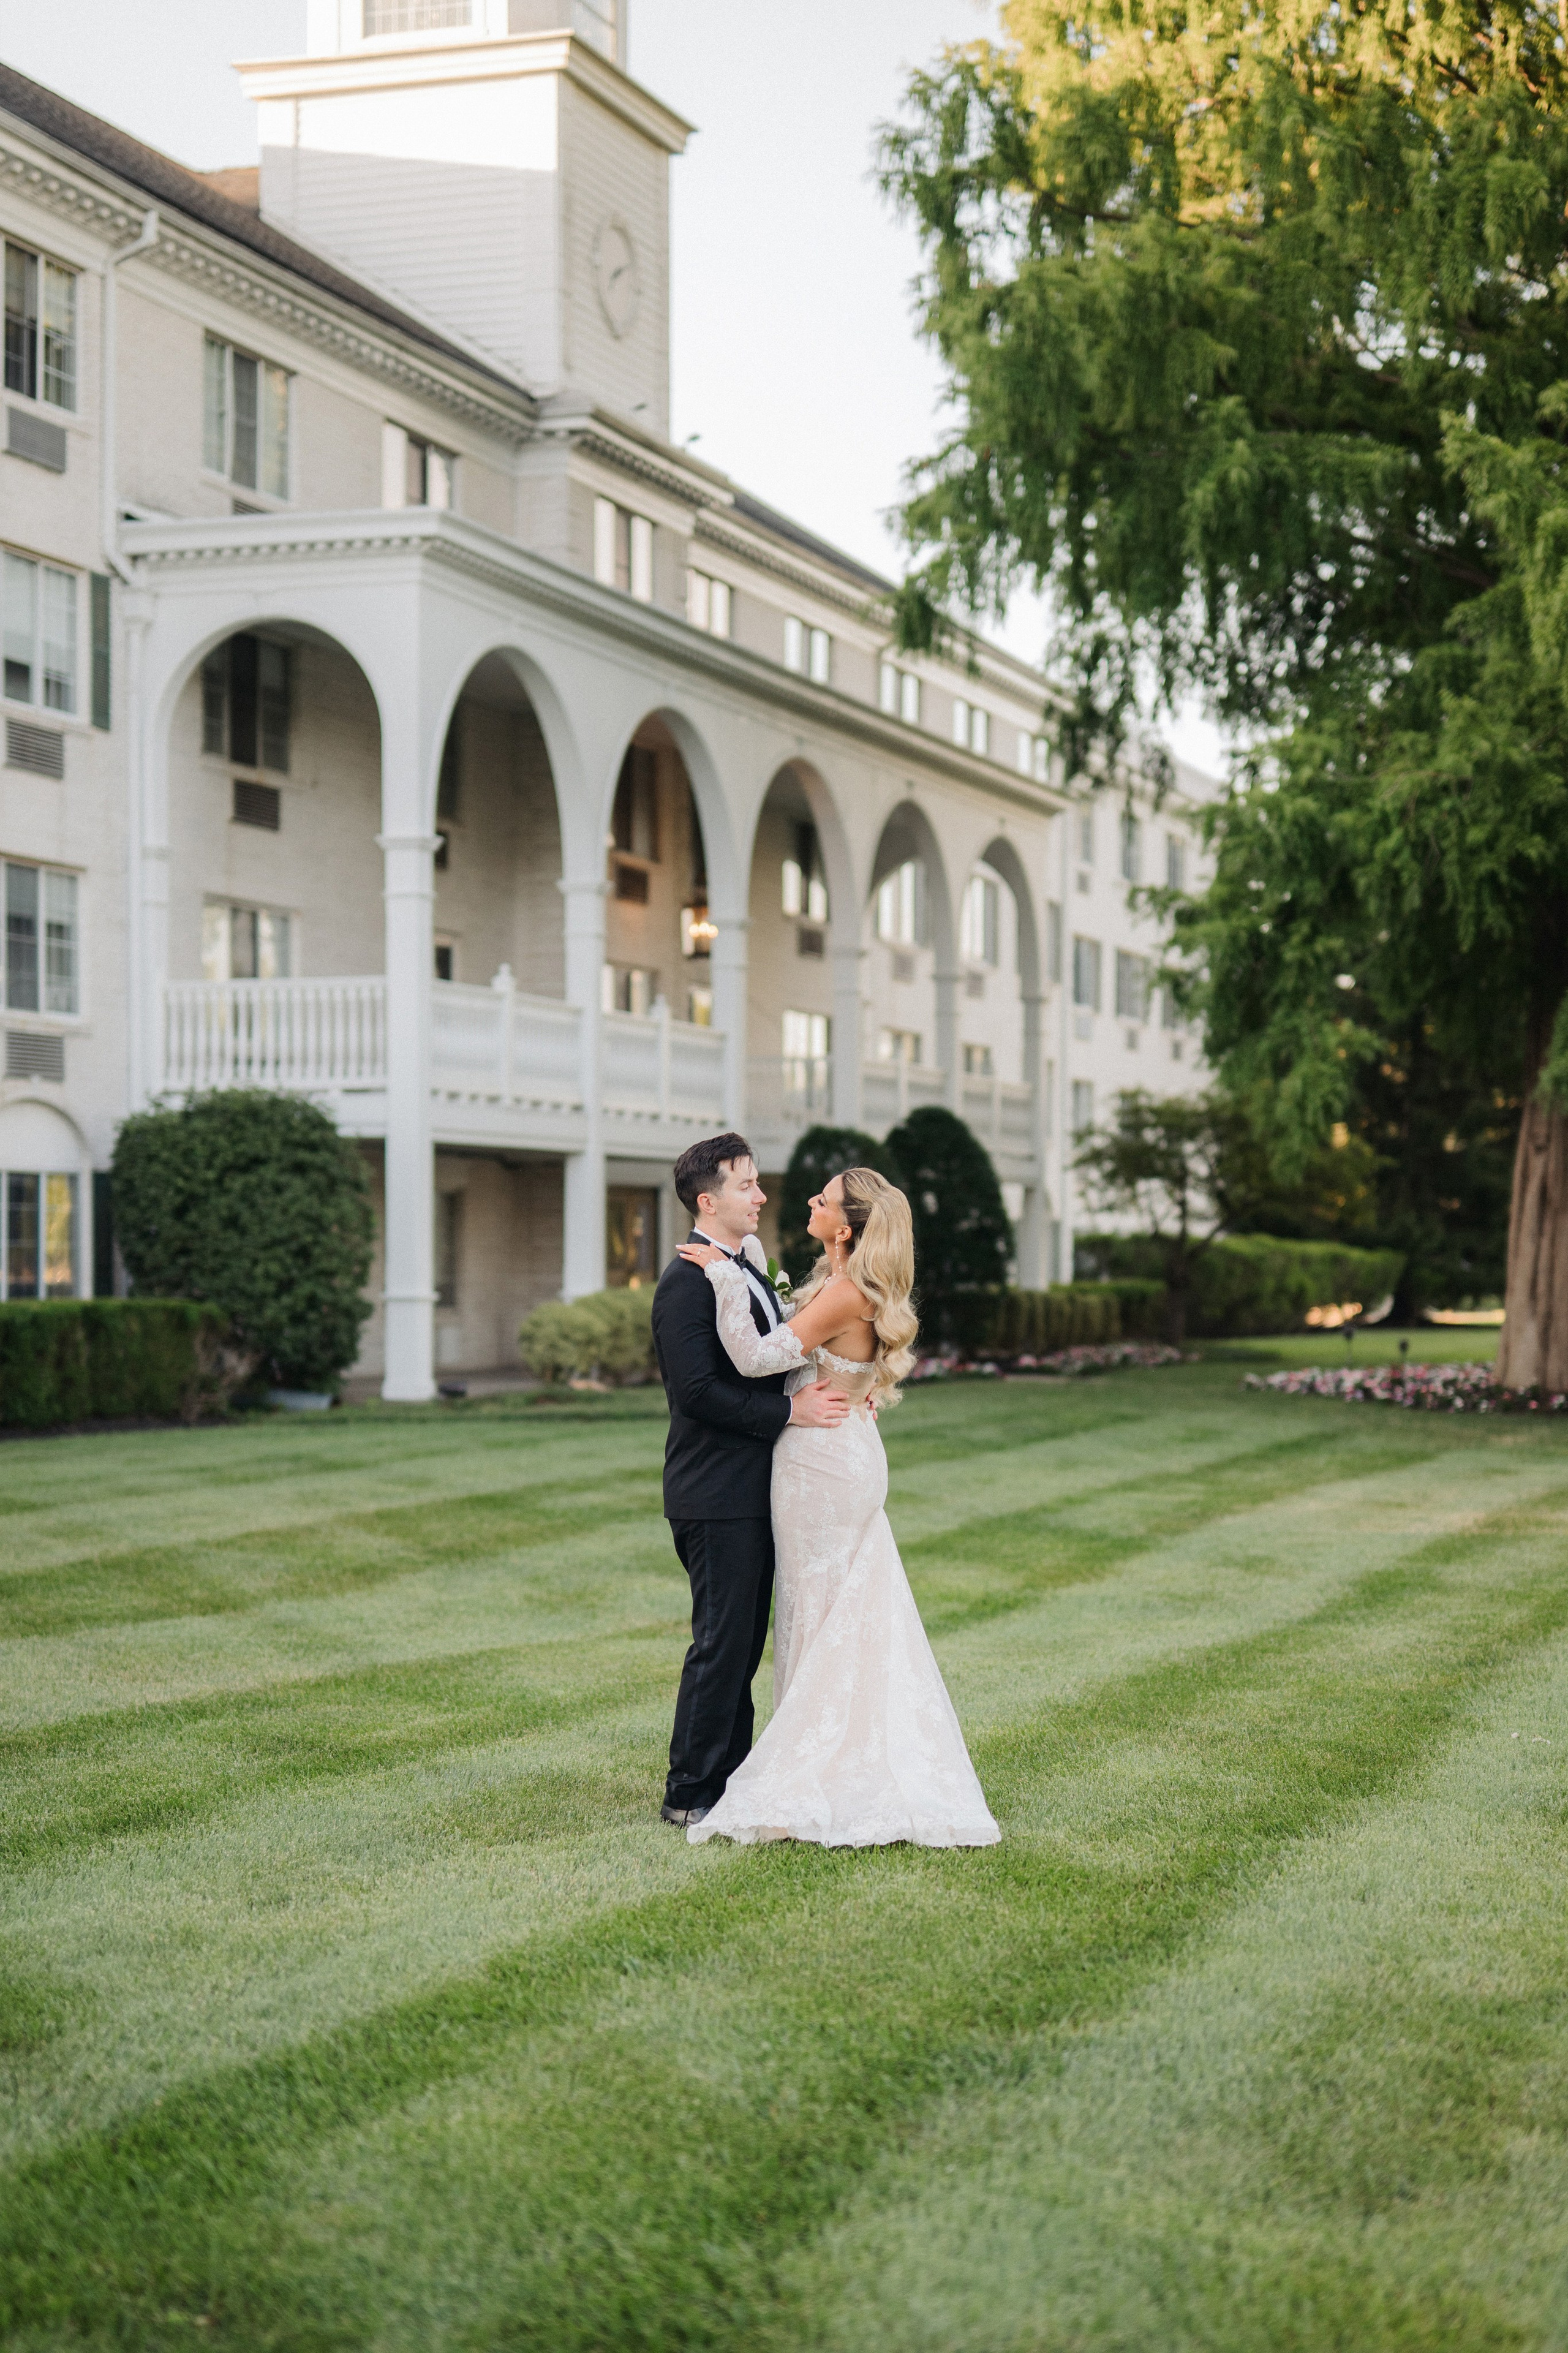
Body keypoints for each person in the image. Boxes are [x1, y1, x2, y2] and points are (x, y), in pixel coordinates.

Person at [676, 1165, 1000, 1849]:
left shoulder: (846, 1289)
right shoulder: (839, 1282)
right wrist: (751, 1269)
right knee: (830, 1605)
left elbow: (758, 1356)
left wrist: (726, 1278)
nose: (807, 1205)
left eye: (820, 1202)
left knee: (820, 1607)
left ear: (846, 1227)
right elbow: (819, 1344)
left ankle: (816, 1769)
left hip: (822, 1462)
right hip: (836, 1449)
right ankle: (826, 1754)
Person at [652, 1133, 852, 1829]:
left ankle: (732, 1779)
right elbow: (699, 1393)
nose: (761, 1196)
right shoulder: (685, 1283)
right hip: (714, 1493)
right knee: (722, 1641)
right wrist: (789, 1410)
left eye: (759, 1183)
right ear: (709, 1200)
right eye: (747, 1185)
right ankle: (690, 1791)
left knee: (742, 1641)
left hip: (755, 1489)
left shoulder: (745, 1268)